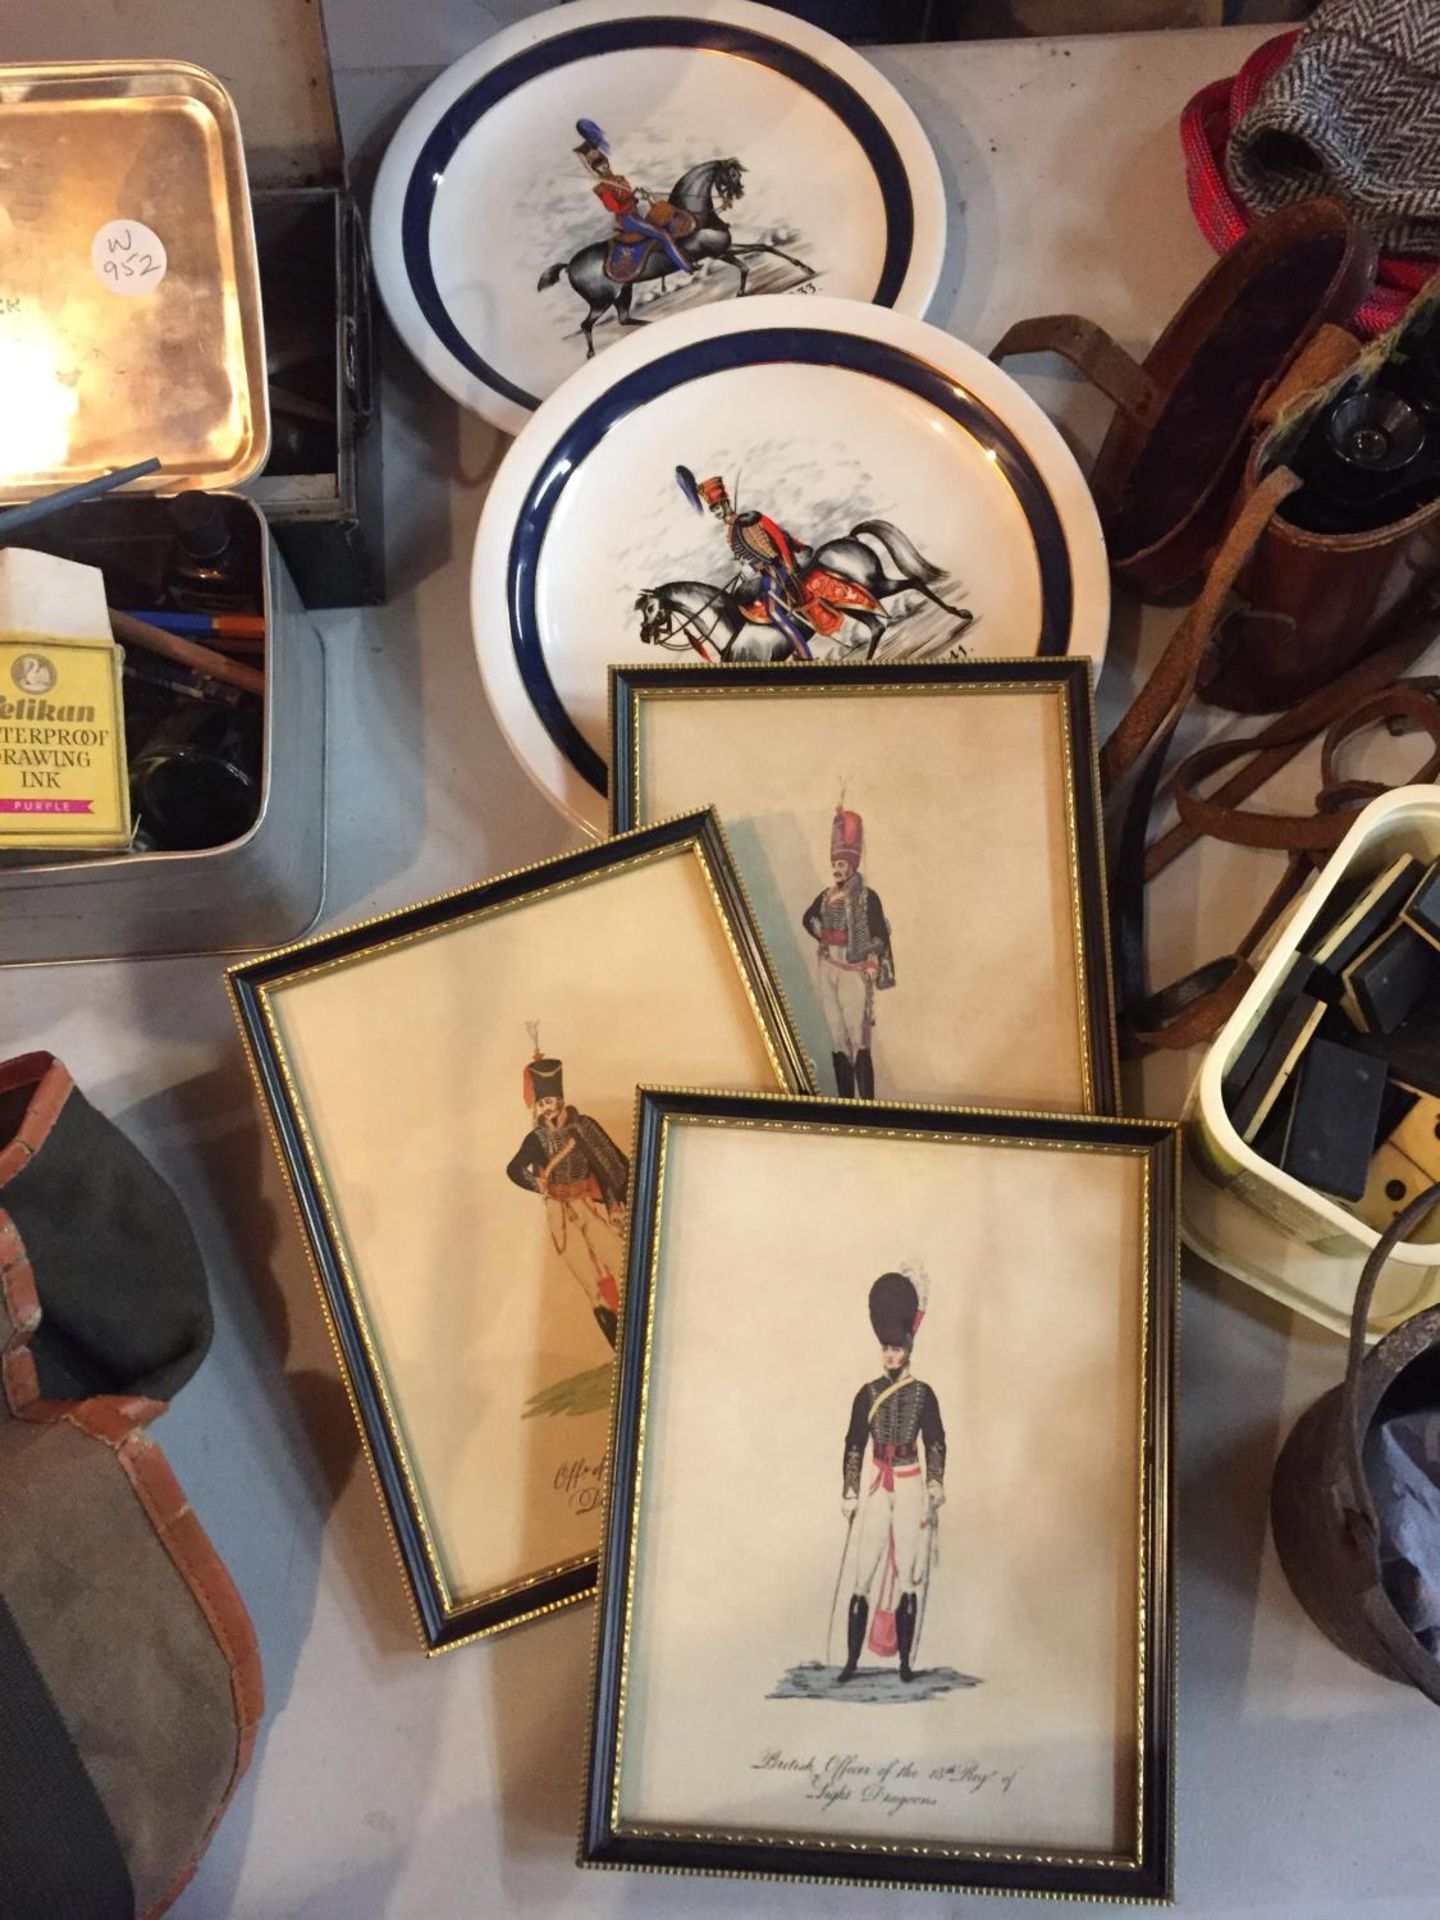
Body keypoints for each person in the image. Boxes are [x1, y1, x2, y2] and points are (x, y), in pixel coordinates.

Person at [838, 1270, 945, 1685]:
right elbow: (853, 1444)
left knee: (908, 1573)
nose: (891, 1356)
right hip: (877, 1483)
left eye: (897, 1349)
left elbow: (935, 1440)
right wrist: (849, 1490)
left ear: (908, 1350)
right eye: (886, 1348)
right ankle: (851, 1662)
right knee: (863, 1568)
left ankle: (903, 1664)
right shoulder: (866, 1393)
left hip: (911, 1481)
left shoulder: (924, 1394)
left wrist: (935, 1482)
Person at [505, 1033, 628, 1348]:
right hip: (558, 1210)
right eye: (542, 1102)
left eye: (551, 1101)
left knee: (619, 1261)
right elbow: (514, 1169)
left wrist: (613, 1205)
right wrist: (539, 1184)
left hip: (589, 1203)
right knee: (591, 1284)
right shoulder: (536, 1140)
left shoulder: (583, 1126)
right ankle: (619, 1347)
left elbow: (607, 1163)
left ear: (560, 1099)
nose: (547, 1107)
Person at [679, 469, 881, 658]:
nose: (717, 514)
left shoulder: (749, 519)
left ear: (725, 504)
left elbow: (778, 536)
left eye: (717, 509)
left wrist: (791, 561)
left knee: (775, 612)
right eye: (713, 512)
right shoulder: (731, 534)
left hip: (779, 569)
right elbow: (751, 555)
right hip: (766, 574)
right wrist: (746, 567)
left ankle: (804, 655)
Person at [802, 801, 894, 1098]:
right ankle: (844, 1102)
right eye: (834, 865)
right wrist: (822, 935)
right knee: (837, 1036)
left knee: (858, 1037)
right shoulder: (826, 895)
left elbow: (880, 933)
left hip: (853, 969)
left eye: (841, 865)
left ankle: (867, 1103)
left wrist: (870, 958)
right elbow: (809, 918)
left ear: (852, 866)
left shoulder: (868, 897)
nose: (836, 870)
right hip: (828, 965)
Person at [574, 119, 696, 280]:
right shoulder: (602, 188)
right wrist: (631, 200)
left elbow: (629, 196)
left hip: (636, 213)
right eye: (600, 167)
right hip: (627, 219)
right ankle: (686, 266)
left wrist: (638, 195)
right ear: (596, 170)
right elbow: (614, 208)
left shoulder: (619, 179)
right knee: (663, 235)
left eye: (605, 164)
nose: (605, 167)